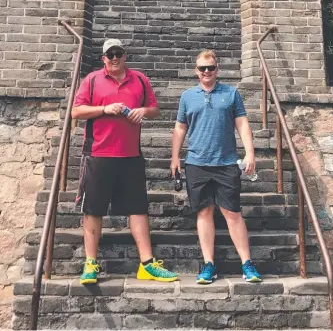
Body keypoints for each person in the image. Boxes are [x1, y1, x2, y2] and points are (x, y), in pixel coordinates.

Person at [73, 38, 178, 284]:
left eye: (118, 53)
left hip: (131, 155)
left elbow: (154, 109)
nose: (114, 58)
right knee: (93, 209)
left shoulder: (140, 79)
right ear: (103, 59)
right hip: (98, 153)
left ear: (125, 55)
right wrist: (104, 109)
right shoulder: (92, 80)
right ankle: (90, 263)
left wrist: (143, 112)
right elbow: (76, 111)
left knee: (138, 208)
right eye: (110, 54)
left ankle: (147, 264)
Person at [171, 49, 262, 284]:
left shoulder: (231, 93)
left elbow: (242, 124)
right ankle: (209, 264)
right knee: (203, 212)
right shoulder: (187, 96)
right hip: (196, 163)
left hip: (226, 162)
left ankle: (247, 264)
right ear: (196, 71)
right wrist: (175, 158)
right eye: (202, 68)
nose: (206, 72)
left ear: (217, 70)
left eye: (210, 68)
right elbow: (180, 128)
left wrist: (250, 153)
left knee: (232, 213)